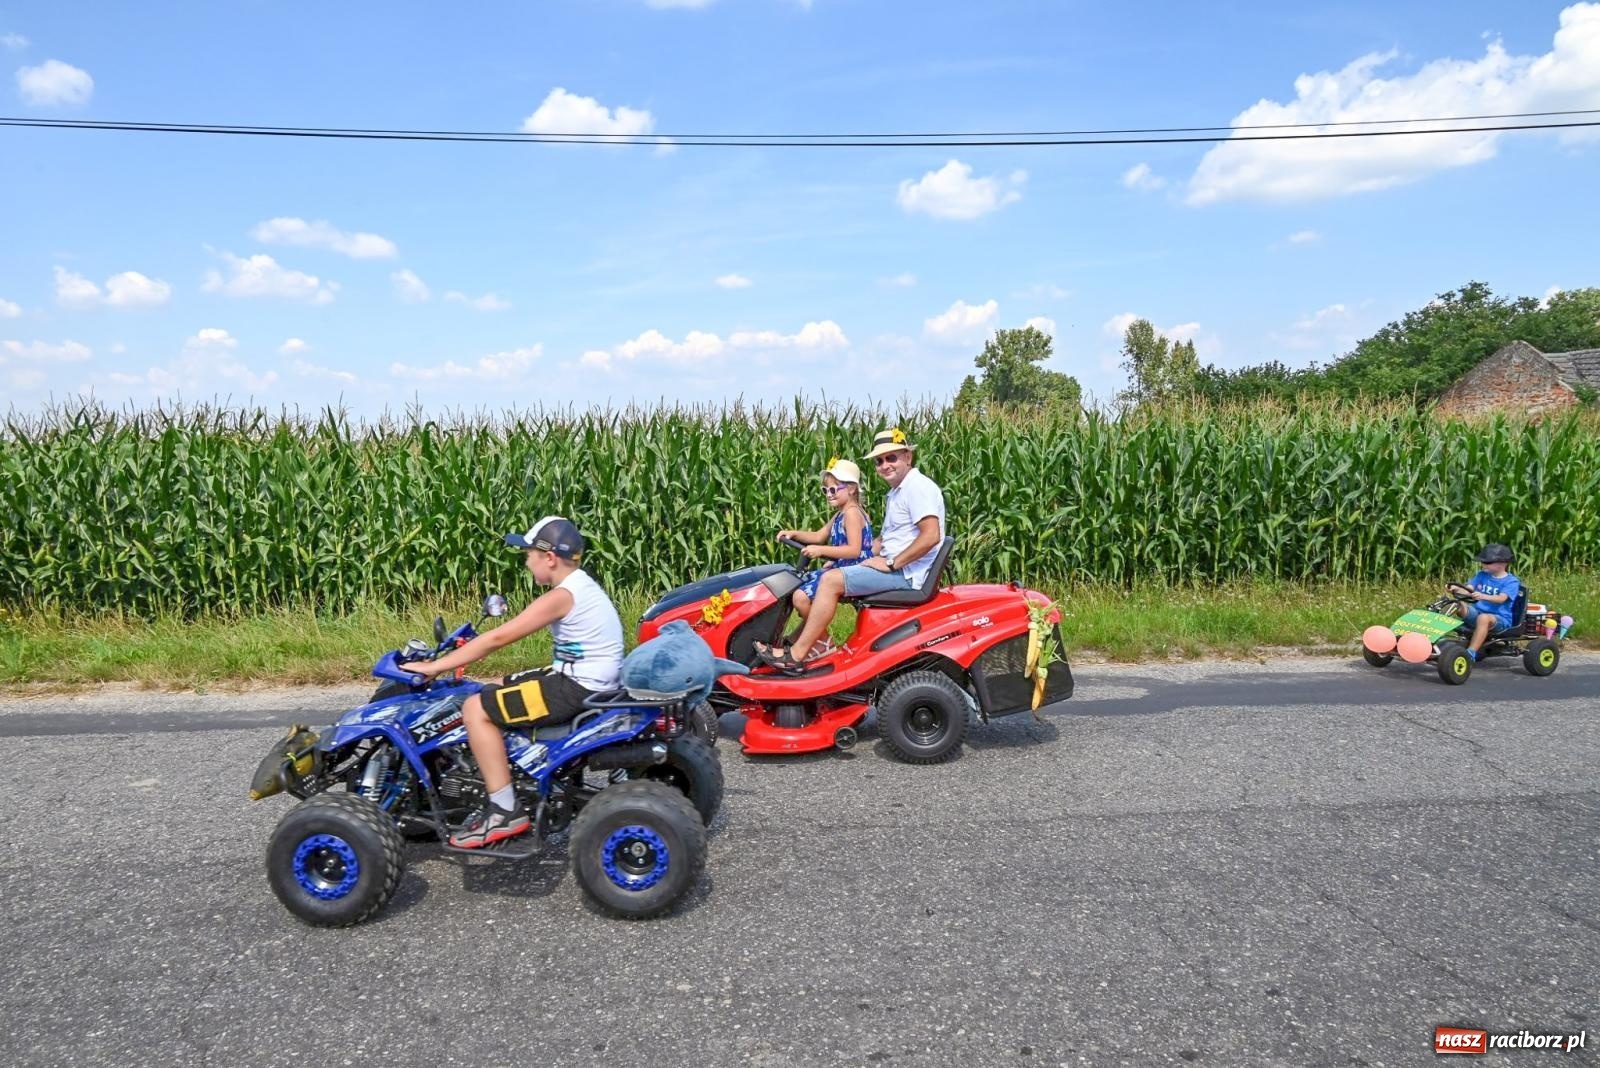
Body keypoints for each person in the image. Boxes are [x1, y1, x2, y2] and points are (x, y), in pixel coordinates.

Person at [402, 516, 623, 848]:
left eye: (528, 553)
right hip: (586, 679)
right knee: (501, 684)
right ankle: (517, 769)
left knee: (476, 707)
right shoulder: (583, 586)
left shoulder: (562, 596)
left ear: (548, 557)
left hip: (577, 687)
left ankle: (504, 810)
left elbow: (498, 638)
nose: (525, 560)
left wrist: (436, 666)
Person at [757, 427, 945, 673]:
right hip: (899, 568)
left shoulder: (917, 487)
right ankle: (799, 643)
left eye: (892, 457)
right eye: (879, 461)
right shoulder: (899, 492)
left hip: (908, 575)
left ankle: (797, 654)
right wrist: (871, 557)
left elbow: (931, 535)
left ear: (908, 457)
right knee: (819, 580)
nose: (885, 465)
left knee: (831, 581)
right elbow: (881, 542)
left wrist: (891, 563)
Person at [773, 457, 875, 657]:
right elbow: (819, 536)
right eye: (825, 490)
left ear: (852, 489)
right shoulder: (839, 515)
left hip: (855, 570)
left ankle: (822, 641)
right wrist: (794, 533)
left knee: (800, 597)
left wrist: (821, 551)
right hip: (841, 567)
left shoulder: (852, 514)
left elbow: (854, 550)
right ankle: (798, 638)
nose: (828, 495)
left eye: (834, 489)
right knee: (796, 583)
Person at [1444, 542, 1521, 661]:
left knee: (1484, 618)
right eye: (1482, 561)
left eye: (1487, 562)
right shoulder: (1482, 575)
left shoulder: (1511, 582)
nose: (1483, 564)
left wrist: (1483, 596)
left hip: (1500, 619)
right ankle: (1435, 638)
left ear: (1502, 564)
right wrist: (1456, 589)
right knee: (1456, 605)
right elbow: (1468, 589)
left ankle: (1471, 653)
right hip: (1477, 613)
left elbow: (1501, 598)